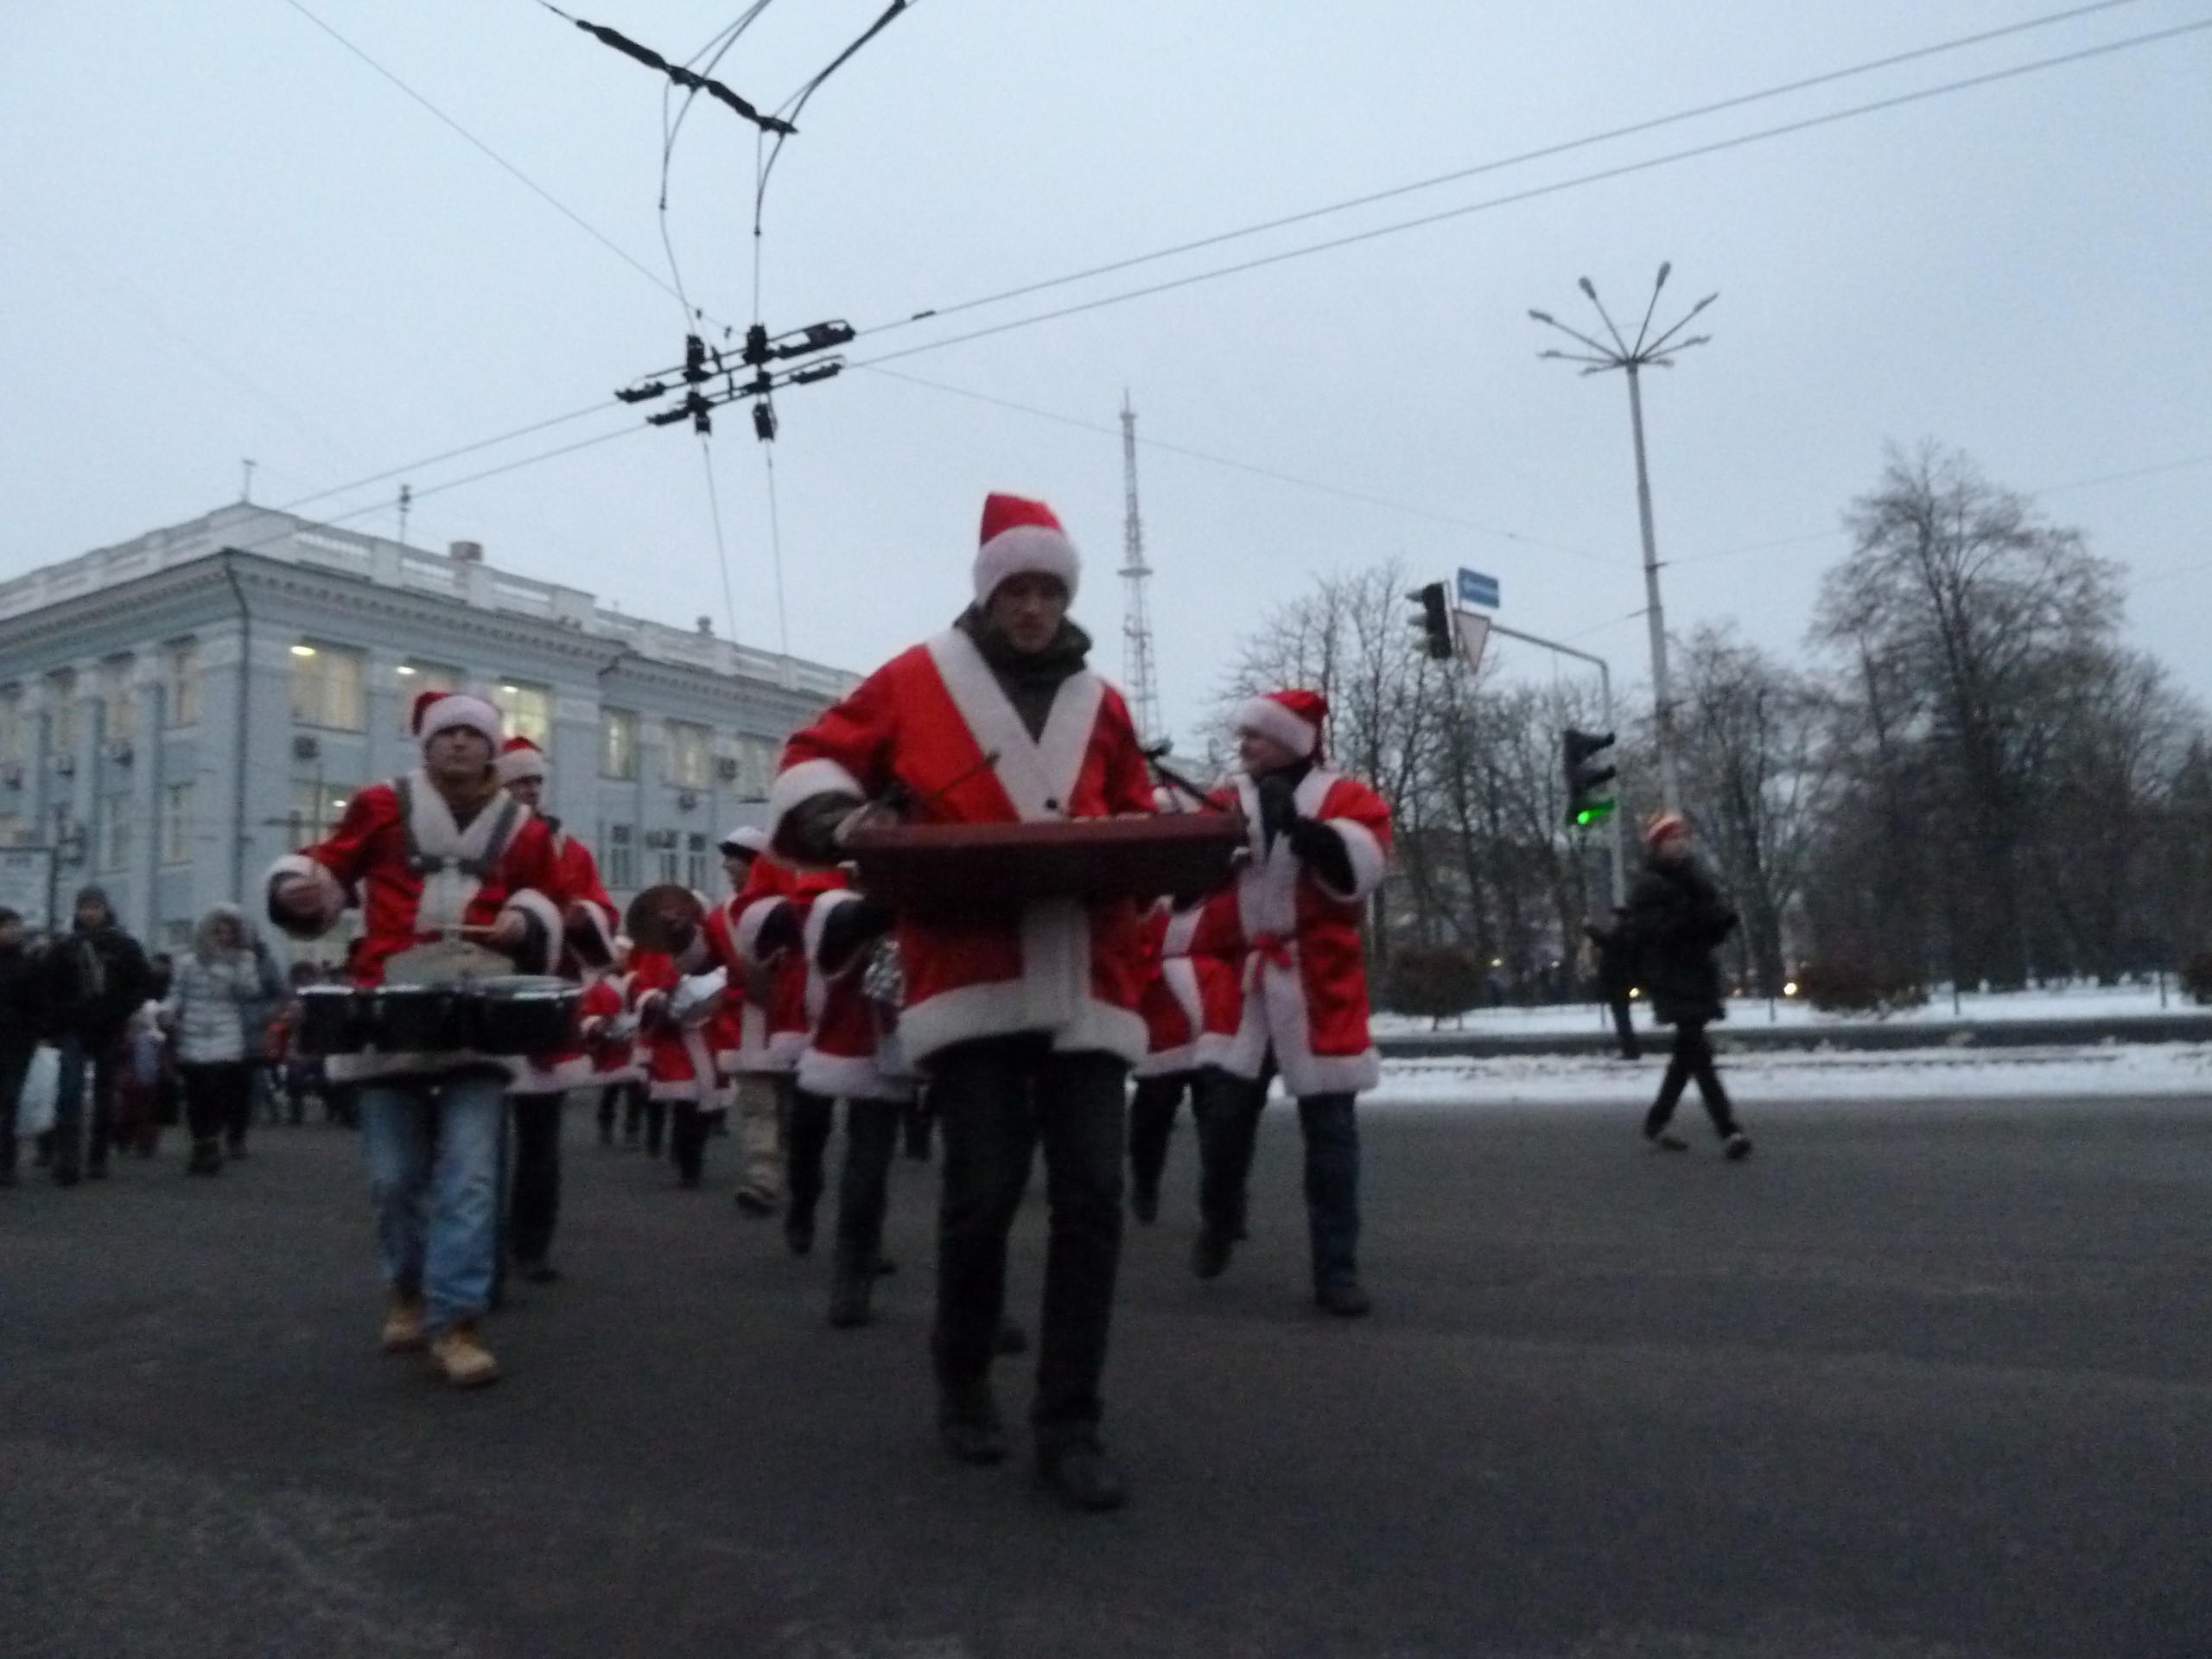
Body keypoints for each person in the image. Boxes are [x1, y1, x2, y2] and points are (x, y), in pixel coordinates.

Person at [768, 491, 1154, 1511]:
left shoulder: (1104, 704)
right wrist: (839, 818)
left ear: (1064, 599)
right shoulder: (914, 678)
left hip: (1087, 977)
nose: (1031, 608)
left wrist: (1150, 847)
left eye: (1047, 592)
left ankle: (1070, 1421)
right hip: (970, 973)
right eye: (1014, 590)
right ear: (987, 594)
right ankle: (964, 1376)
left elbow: (1138, 813)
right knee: (981, 1193)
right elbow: (811, 757)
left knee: (1093, 1201)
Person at [267, 688, 588, 1388]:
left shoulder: (524, 829)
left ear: (492, 747)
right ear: (427, 743)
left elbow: (549, 897)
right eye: (448, 733)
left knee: (470, 1178)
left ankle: (458, 1321)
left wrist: (527, 922)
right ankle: (407, 1289)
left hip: (481, 1014)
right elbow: (332, 868)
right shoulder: (381, 805)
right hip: (389, 1012)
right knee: (395, 1179)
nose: (460, 743)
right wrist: (303, 892)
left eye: (474, 733)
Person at [1188, 689, 1394, 1318]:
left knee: (1331, 1135)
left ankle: (1336, 1268)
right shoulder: (1225, 800)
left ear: (1290, 741)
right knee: (1223, 1122)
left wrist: (1303, 832)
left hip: (1318, 984)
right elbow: (1189, 877)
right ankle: (1221, 1216)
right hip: (1245, 984)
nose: (1243, 744)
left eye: (1256, 734)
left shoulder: (1348, 798)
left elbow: (1361, 872)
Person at [493, 735, 618, 1281]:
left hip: (547, 1002)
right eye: (518, 780)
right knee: (481, 1138)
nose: (529, 789)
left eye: (535, 780)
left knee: (541, 1138)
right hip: (488, 998)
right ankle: (482, 1244)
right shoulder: (481, 841)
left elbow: (602, 908)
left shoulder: (569, 848)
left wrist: (584, 918)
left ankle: (532, 1243)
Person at [1620, 811, 1752, 1160]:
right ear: (1657, 846)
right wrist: (1697, 921)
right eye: (1672, 839)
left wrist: (1719, 923)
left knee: (1687, 1055)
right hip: (1670, 976)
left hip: (1697, 973)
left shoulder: (1696, 878)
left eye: (1683, 838)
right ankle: (1728, 1129)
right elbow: (1659, 932)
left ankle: (1656, 1122)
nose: (1680, 845)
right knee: (1698, 1053)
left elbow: (1706, 927)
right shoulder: (1649, 886)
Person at [703, 826, 816, 1220]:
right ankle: (762, 1178)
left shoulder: (793, 910)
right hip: (744, 1022)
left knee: (791, 1109)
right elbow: (703, 961)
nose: (725, 868)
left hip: (790, 1019)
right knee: (758, 1106)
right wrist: (680, 934)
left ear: (754, 864)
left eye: (732, 861)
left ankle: (793, 1178)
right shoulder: (720, 915)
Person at [40, 885, 153, 1185]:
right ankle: (68, 1156)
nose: (90, 913)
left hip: (108, 1028)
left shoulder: (124, 946)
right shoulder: (65, 947)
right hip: (73, 1028)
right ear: (77, 911)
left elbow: (141, 984)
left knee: (105, 1093)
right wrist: (56, 1021)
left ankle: (98, 1155)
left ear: (105, 909)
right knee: (69, 1091)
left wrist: (121, 1010)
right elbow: (48, 987)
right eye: (84, 908)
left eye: (95, 907)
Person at [163, 906, 273, 1175]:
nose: (223, 938)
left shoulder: (243, 960)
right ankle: (201, 1144)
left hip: (227, 1030)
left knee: (217, 1089)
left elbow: (250, 990)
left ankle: (211, 1143)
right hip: (193, 1029)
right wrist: (167, 1012)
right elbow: (177, 993)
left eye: (228, 933)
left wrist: (231, 967)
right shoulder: (188, 961)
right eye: (217, 932)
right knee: (195, 1092)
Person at [1126, 895, 1206, 1225]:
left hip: (1217, 1010)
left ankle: (1225, 1203)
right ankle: (1145, 1184)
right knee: (1152, 1112)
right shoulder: (1148, 904)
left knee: (1223, 1118)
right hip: (1162, 1013)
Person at [0, 907, 44, 1186]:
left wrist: (37, 1033)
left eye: (16, 925)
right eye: (7, 925)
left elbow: (38, 1004)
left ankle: (6, 1163)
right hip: (15, 1040)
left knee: (10, 1101)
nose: (13, 931)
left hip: (18, 1043)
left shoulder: (28, 965)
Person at [1584, 906, 1643, 1061]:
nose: (1613, 921)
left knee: (1622, 1017)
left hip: (1620, 983)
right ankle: (1630, 1049)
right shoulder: (1625, 933)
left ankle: (1630, 1050)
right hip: (1621, 982)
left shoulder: (1624, 934)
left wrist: (1592, 931)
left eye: (1616, 918)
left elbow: (1608, 945)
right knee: (1622, 1016)